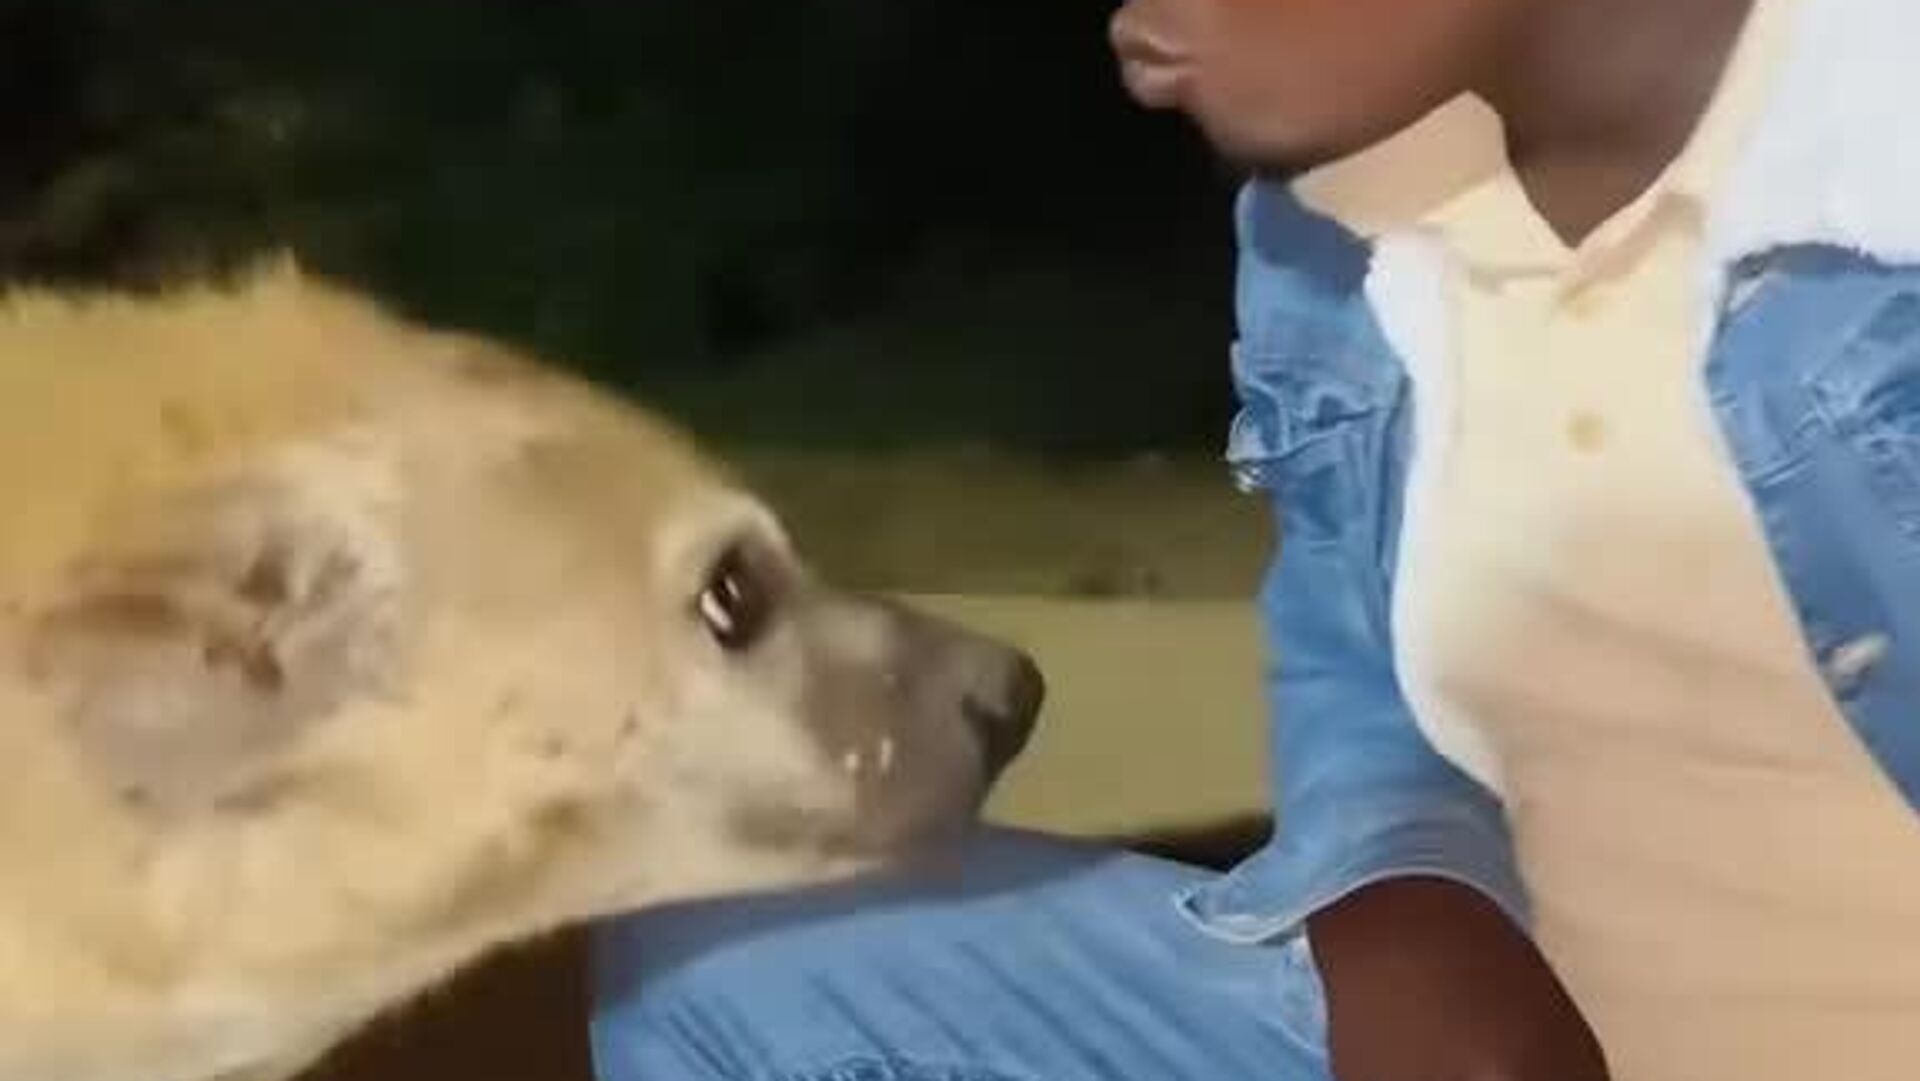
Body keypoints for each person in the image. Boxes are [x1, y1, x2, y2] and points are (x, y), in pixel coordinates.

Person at [588, 0, 1920, 1077]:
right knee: (720, 962)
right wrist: (1410, 895)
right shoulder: (1337, 235)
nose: (1133, 34)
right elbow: (1359, 665)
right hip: (1581, 1016)